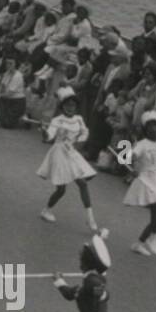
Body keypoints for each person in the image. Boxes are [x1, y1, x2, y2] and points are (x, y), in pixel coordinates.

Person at [38, 86, 99, 230]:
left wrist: (79, 142)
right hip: (59, 153)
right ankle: (46, 210)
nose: (70, 107)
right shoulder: (57, 120)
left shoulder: (79, 119)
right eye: (67, 105)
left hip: (72, 152)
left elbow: (84, 133)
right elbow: (49, 137)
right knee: (61, 190)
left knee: (83, 184)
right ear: (62, 106)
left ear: (76, 106)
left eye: (73, 105)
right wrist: (44, 132)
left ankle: (90, 219)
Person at [124, 110, 156, 256]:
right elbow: (130, 156)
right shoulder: (142, 144)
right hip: (145, 179)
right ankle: (153, 237)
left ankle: (140, 243)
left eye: (155, 125)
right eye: (150, 126)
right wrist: (131, 167)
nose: (153, 129)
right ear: (145, 129)